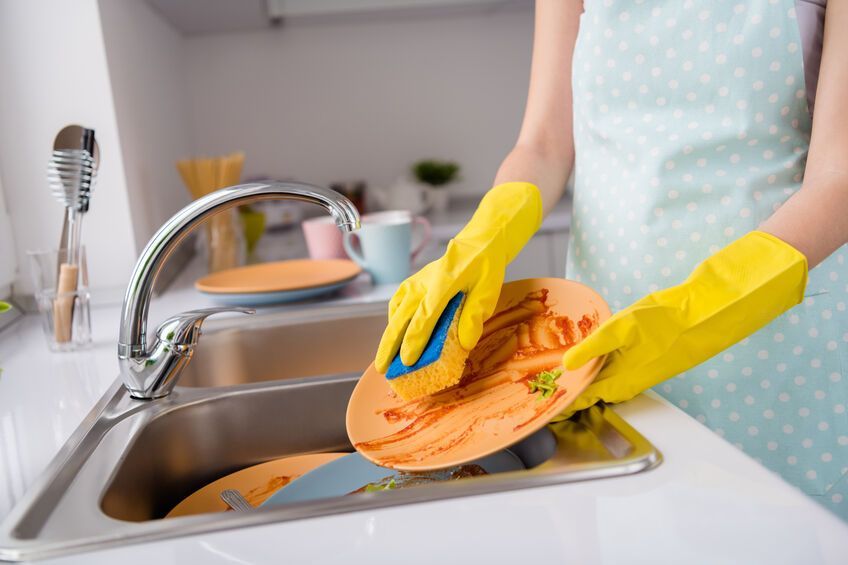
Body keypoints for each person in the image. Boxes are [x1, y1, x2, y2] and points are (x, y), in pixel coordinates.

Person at [374, 0, 847, 520]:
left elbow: (838, 176)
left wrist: (691, 313)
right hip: (597, 344)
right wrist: (486, 235)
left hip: (774, 341)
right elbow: (545, 143)